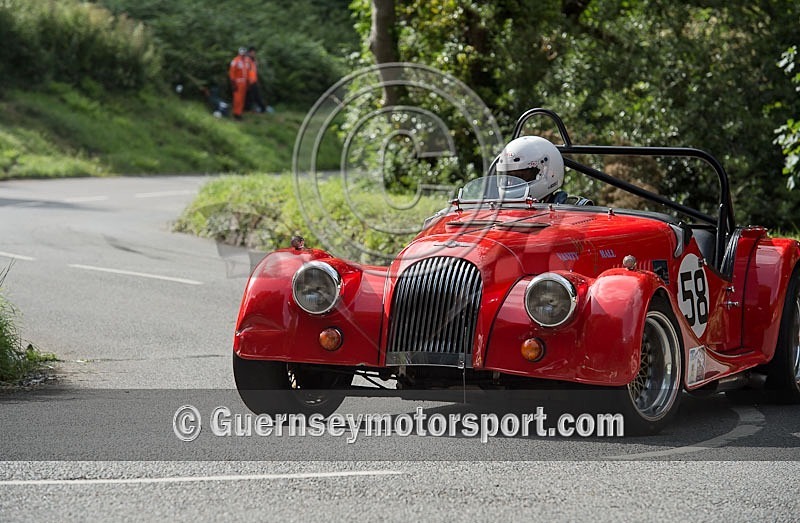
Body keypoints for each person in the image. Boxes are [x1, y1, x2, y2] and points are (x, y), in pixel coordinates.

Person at [495, 135, 575, 203]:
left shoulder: (571, 211)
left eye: (520, 176)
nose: (510, 183)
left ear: (546, 173)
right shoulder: (496, 211)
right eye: (508, 177)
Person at [244, 46, 266, 113]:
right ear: (249, 52)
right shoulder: (247, 60)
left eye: (254, 53)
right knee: (251, 96)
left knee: (255, 96)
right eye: (253, 52)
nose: (254, 54)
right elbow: (246, 71)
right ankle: (249, 109)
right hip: (249, 81)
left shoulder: (253, 60)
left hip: (254, 81)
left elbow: (254, 71)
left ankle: (262, 108)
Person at [228, 47, 249, 120]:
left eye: (244, 54)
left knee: (242, 99)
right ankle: (236, 113)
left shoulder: (246, 61)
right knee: (237, 99)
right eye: (243, 54)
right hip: (237, 83)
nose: (244, 55)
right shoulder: (235, 61)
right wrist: (233, 83)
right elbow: (231, 73)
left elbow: (247, 72)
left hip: (244, 83)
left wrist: (248, 82)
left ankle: (239, 113)